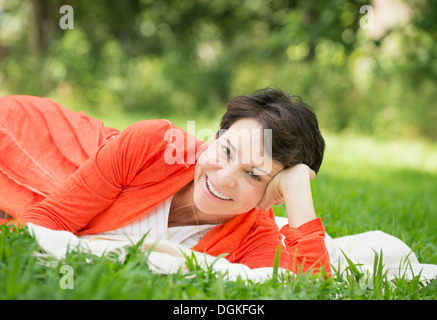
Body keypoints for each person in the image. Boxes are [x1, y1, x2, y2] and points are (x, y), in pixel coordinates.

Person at [0, 88, 330, 274]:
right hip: (23, 137)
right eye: (227, 150)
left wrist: (298, 187)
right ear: (215, 138)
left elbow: (308, 287)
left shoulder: (256, 235)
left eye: (253, 174)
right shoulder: (153, 143)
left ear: (273, 194)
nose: (224, 177)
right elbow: (48, 219)